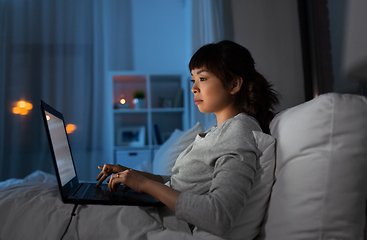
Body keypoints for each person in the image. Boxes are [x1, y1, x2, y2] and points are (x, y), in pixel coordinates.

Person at [96, 40, 279, 237]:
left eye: (203, 78)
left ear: (234, 84)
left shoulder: (239, 131)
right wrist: (132, 175)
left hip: (165, 222)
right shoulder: (220, 130)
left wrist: (145, 185)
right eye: (193, 80)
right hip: (158, 213)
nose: (194, 88)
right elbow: (182, 183)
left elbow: (219, 215)